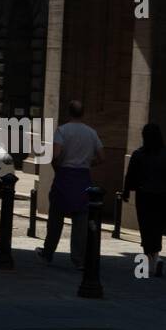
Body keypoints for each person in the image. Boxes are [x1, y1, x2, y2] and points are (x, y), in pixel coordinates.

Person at [37, 100, 103, 268]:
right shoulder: (91, 133)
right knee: (81, 221)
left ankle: (48, 252)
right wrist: (88, 163)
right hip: (83, 178)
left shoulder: (62, 131)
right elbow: (102, 157)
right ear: (83, 114)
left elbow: (56, 155)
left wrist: (57, 168)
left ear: (69, 113)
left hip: (65, 177)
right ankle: (78, 259)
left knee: (56, 219)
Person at [122, 124, 166, 277]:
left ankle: (149, 259)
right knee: (157, 227)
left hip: (144, 195)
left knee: (146, 227)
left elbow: (130, 176)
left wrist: (126, 192)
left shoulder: (139, 155)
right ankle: (157, 257)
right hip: (162, 195)